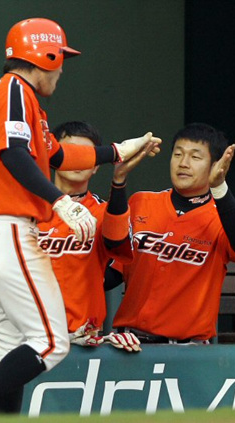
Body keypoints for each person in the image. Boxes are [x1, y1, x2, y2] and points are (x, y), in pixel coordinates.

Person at [0, 17, 161, 419]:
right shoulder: (15, 89)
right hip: (6, 229)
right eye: (61, 60)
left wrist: (117, 150)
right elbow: (14, 154)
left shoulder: (19, 100)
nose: (62, 70)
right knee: (52, 343)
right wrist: (59, 200)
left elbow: (58, 155)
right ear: (46, 55)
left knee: (12, 351)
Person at [112, 122, 235, 344]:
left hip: (188, 351)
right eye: (178, 154)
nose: (183, 163)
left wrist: (219, 188)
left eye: (195, 157)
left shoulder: (223, 217)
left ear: (214, 165)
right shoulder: (141, 202)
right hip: (130, 344)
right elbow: (113, 271)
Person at [38, 121, 150, 352]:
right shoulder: (26, 210)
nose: (79, 159)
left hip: (82, 339)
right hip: (27, 336)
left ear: (97, 165)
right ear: (54, 157)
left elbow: (118, 248)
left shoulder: (102, 211)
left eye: (86, 154)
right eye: (71, 152)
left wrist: (119, 180)